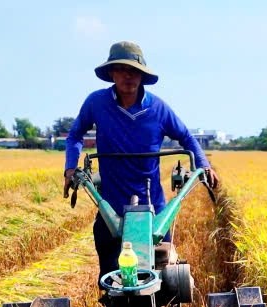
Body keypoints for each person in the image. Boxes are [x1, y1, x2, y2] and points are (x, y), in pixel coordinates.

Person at [62, 41, 219, 278]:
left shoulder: (158, 108)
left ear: (142, 76)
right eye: (122, 69)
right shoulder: (96, 103)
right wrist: (70, 168)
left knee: (163, 276)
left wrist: (203, 165)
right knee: (110, 275)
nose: (128, 76)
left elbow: (186, 137)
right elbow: (75, 134)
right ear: (111, 73)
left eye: (134, 70)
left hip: (153, 207)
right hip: (112, 207)